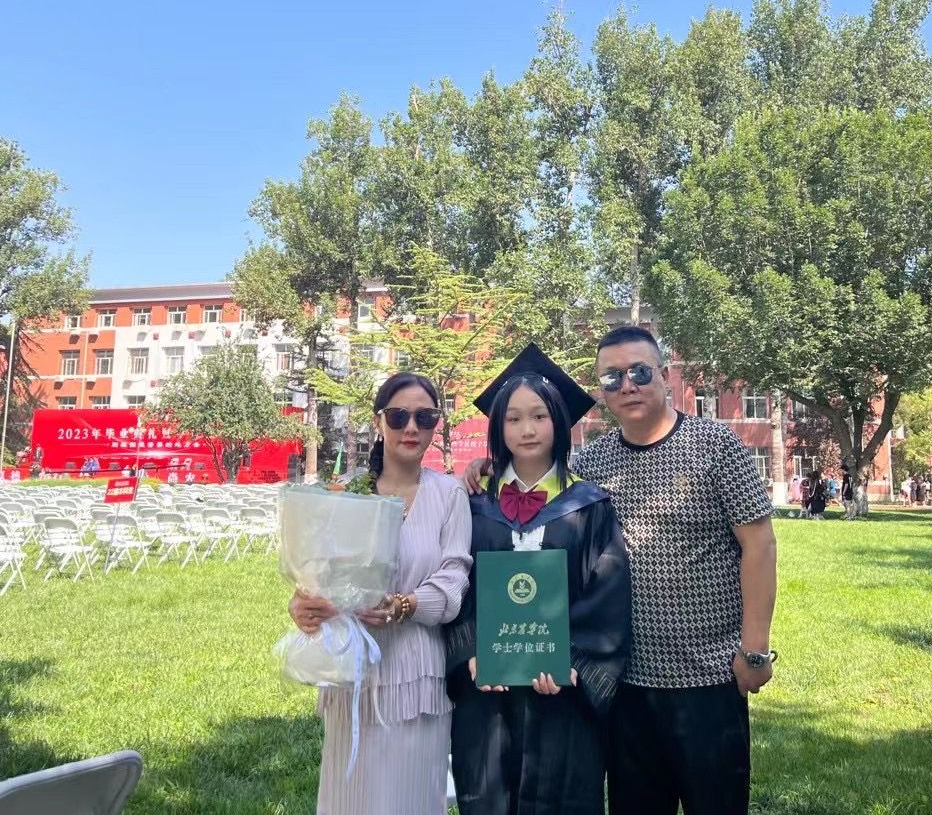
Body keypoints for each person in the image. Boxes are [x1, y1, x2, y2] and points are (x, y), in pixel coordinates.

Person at [464, 326, 778, 815]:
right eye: (612, 377)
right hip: (624, 684)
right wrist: (487, 467)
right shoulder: (592, 463)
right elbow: (534, 473)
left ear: (665, 374)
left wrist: (753, 650)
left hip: (708, 676)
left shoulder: (716, 446)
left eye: (639, 372)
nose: (627, 385)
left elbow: (759, 545)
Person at [444, 345, 632, 815]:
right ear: (497, 428)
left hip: (561, 698)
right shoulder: (472, 503)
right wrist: (470, 651)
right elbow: (454, 581)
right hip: (487, 699)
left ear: (559, 423)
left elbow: (607, 591)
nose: (526, 430)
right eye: (513, 419)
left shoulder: (589, 504)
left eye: (539, 417)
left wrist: (573, 661)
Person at [288, 372, 472, 815]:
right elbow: (317, 570)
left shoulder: (449, 495)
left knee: (410, 797)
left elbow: (453, 580)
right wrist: (303, 603)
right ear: (378, 421)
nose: (411, 427)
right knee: (351, 798)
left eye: (425, 417)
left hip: (416, 674)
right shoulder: (346, 491)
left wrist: (405, 605)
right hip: (353, 671)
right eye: (398, 416)